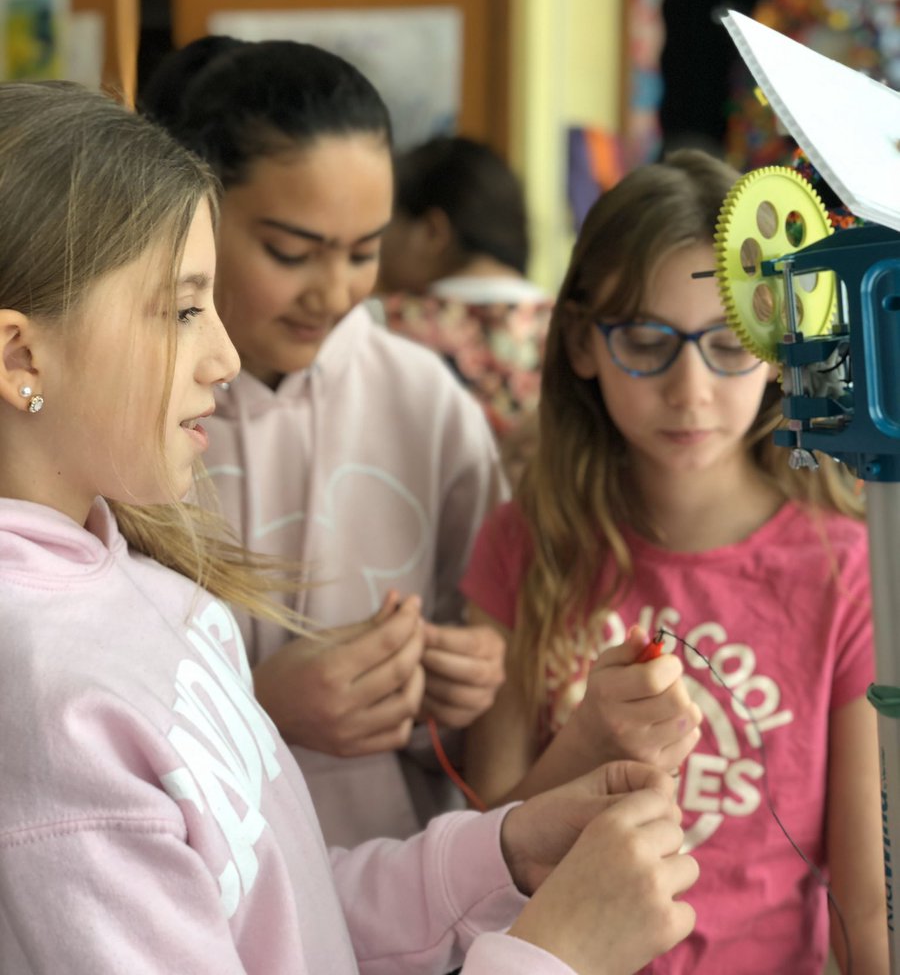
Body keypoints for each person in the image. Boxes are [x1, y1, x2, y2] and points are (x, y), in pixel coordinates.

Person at [0, 80, 700, 973]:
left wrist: (499, 853)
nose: (223, 357)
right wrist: (556, 953)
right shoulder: (51, 709)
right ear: (21, 356)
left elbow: (281, 908)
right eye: (181, 310)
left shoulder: (146, 587)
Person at [461, 150, 886, 973]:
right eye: (648, 341)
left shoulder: (845, 572)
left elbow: (865, 905)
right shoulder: (524, 544)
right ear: (582, 342)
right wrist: (587, 741)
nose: (689, 390)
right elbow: (484, 858)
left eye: (728, 344)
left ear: (780, 347)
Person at [142, 39, 508, 847]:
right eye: (292, 252)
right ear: (195, 217)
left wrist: (469, 679)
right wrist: (259, 706)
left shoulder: (426, 405)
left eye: (365, 252)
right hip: (187, 874)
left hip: (397, 874)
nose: (335, 292)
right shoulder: (127, 407)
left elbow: (489, 660)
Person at [376, 135, 553, 452]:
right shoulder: (571, 330)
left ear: (432, 232)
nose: (378, 248)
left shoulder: (380, 325)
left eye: (386, 226)